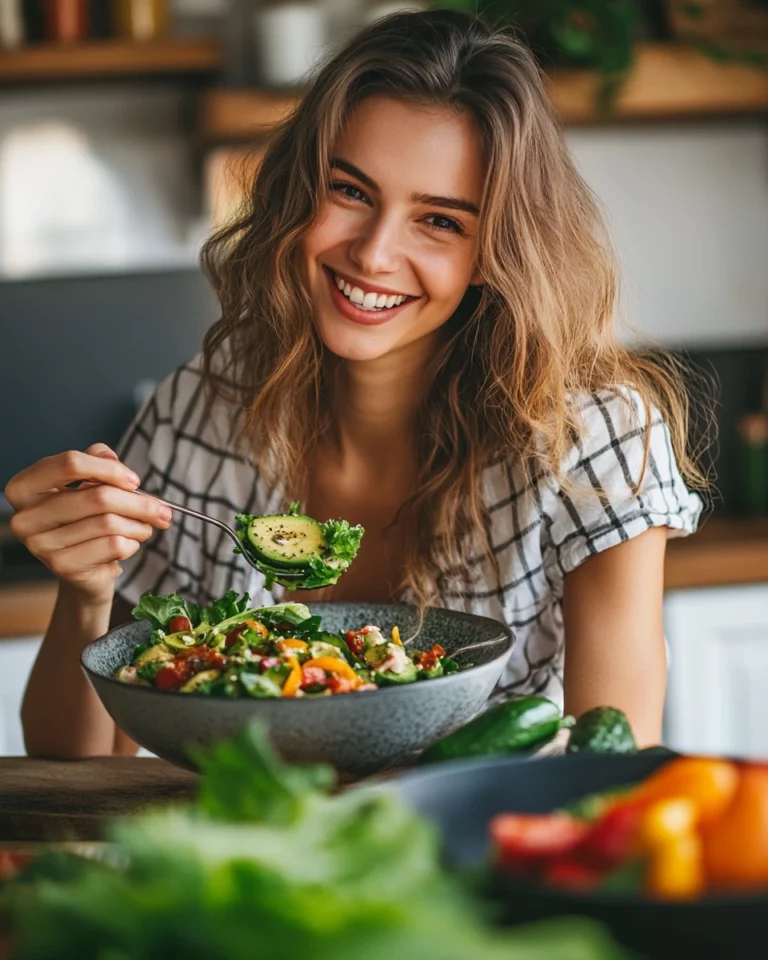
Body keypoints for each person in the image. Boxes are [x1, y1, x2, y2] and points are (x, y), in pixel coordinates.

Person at [6, 10, 704, 759]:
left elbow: (612, 768)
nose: (374, 254)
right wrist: (87, 593)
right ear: (300, 190)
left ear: (498, 251)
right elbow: (79, 770)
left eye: (438, 221)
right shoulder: (199, 413)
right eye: (351, 191)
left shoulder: (593, 442)